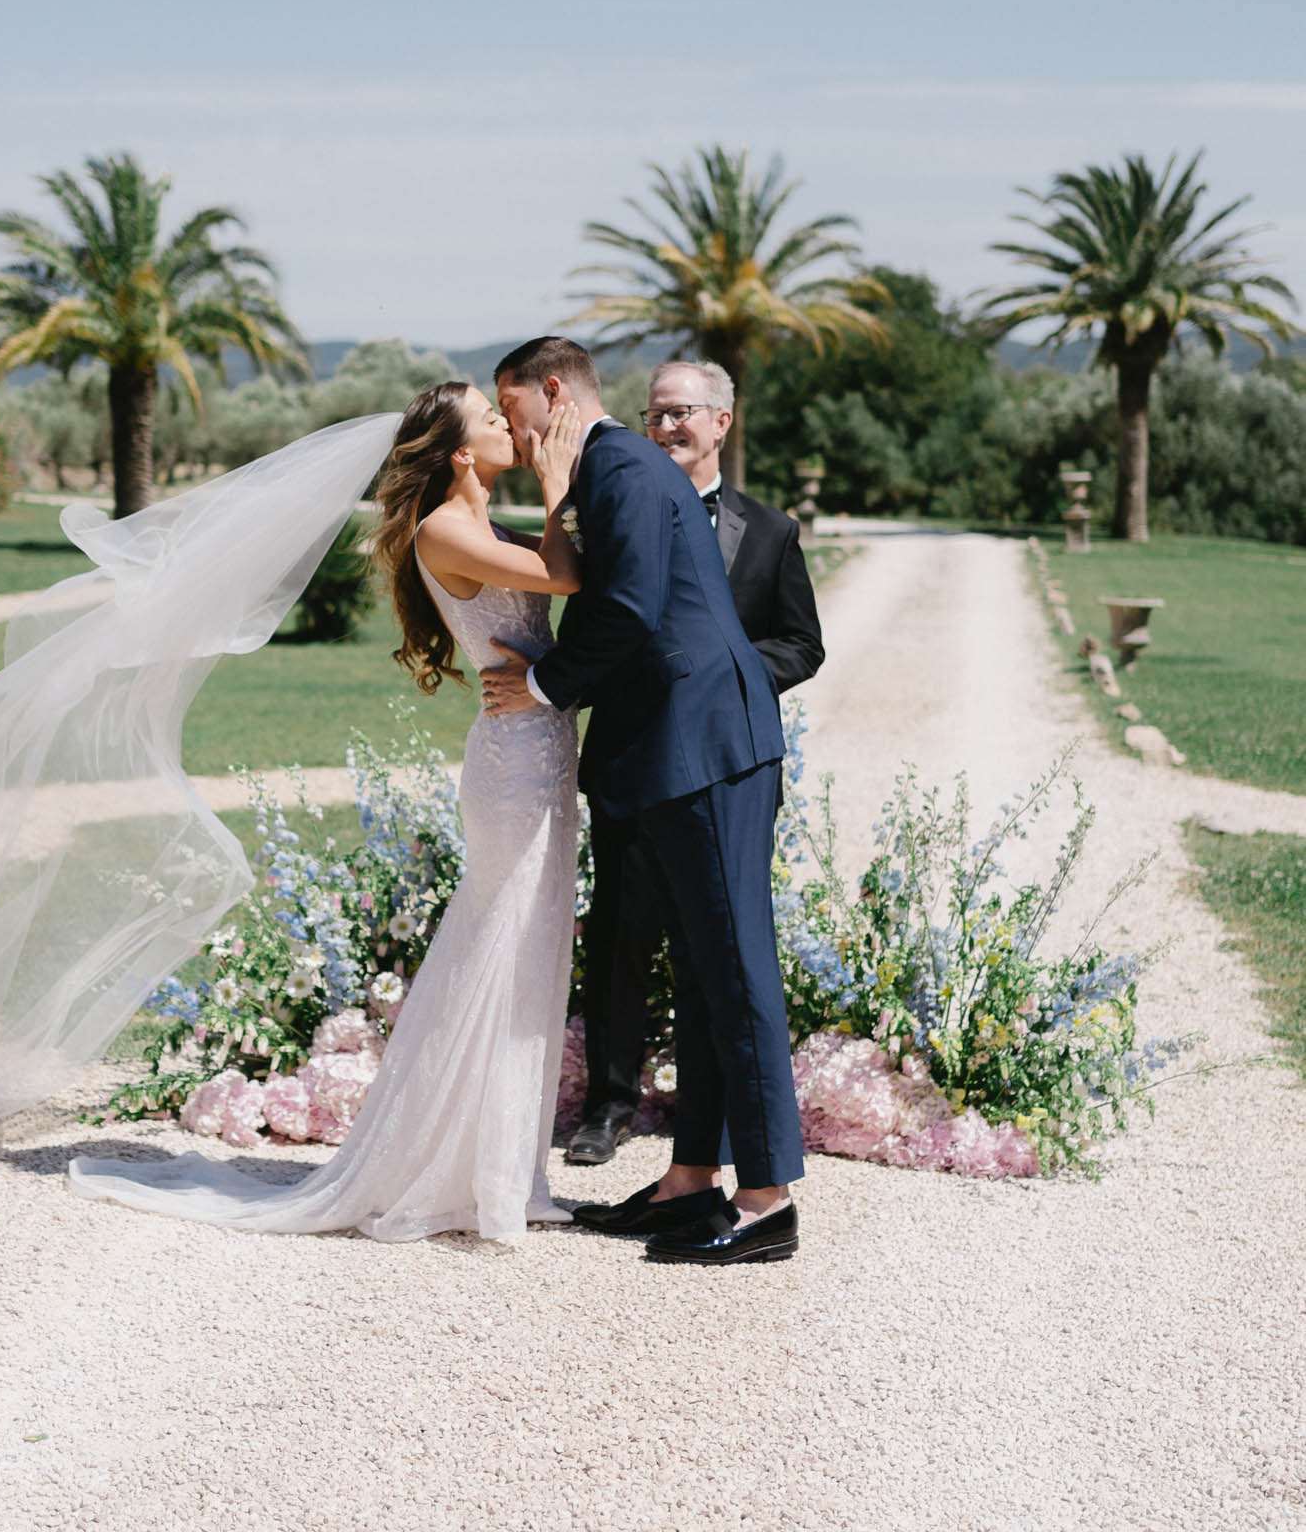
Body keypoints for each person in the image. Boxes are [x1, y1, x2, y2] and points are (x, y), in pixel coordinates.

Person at [65, 383, 590, 1241]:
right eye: (492, 421)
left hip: (537, 751)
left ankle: (494, 1166)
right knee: (499, 945)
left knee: (528, 949)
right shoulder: (446, 531)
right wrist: (561, 472)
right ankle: (452, 1168)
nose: (509, 427)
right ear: (460, 453)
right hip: (513, 766)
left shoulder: (481, 524)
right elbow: (567, 573)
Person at [484, 337, 805, 1267]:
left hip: (702, 750)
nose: (515, 431)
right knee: (707, 977)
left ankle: (766, 1200)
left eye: (515, 413)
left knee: (736, 972)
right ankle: (689, 1182)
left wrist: (542, 687)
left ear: (553, 392)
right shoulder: (616, 467)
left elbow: (624, 608)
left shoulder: (620, 468)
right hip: (685, 750)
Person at [565, 358, 824, 1168]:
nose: (668, 427)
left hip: (714, 756)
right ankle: (608, 1104)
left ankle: (707, 1141)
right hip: (629, 752)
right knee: (618, 931)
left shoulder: (771, 530)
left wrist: (722, 672)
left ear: (722, 421)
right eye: (655, 415)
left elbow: (802, 644)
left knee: (716, 945)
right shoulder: (611, 510)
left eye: (683, 413)